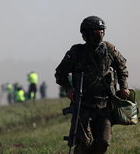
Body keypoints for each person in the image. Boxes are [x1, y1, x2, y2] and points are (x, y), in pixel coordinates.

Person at [55, 16, 129, 154]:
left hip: (105, 106)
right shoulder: (76, 52)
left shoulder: (109, 49)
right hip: (83, 106)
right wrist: (68, 89)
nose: (100, 34)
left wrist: (123, 86)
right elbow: (60, 74)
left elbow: (122, 68)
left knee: (104, 143)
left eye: (102, 31)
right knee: (84, 143)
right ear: (86, 33)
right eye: (96, 31)